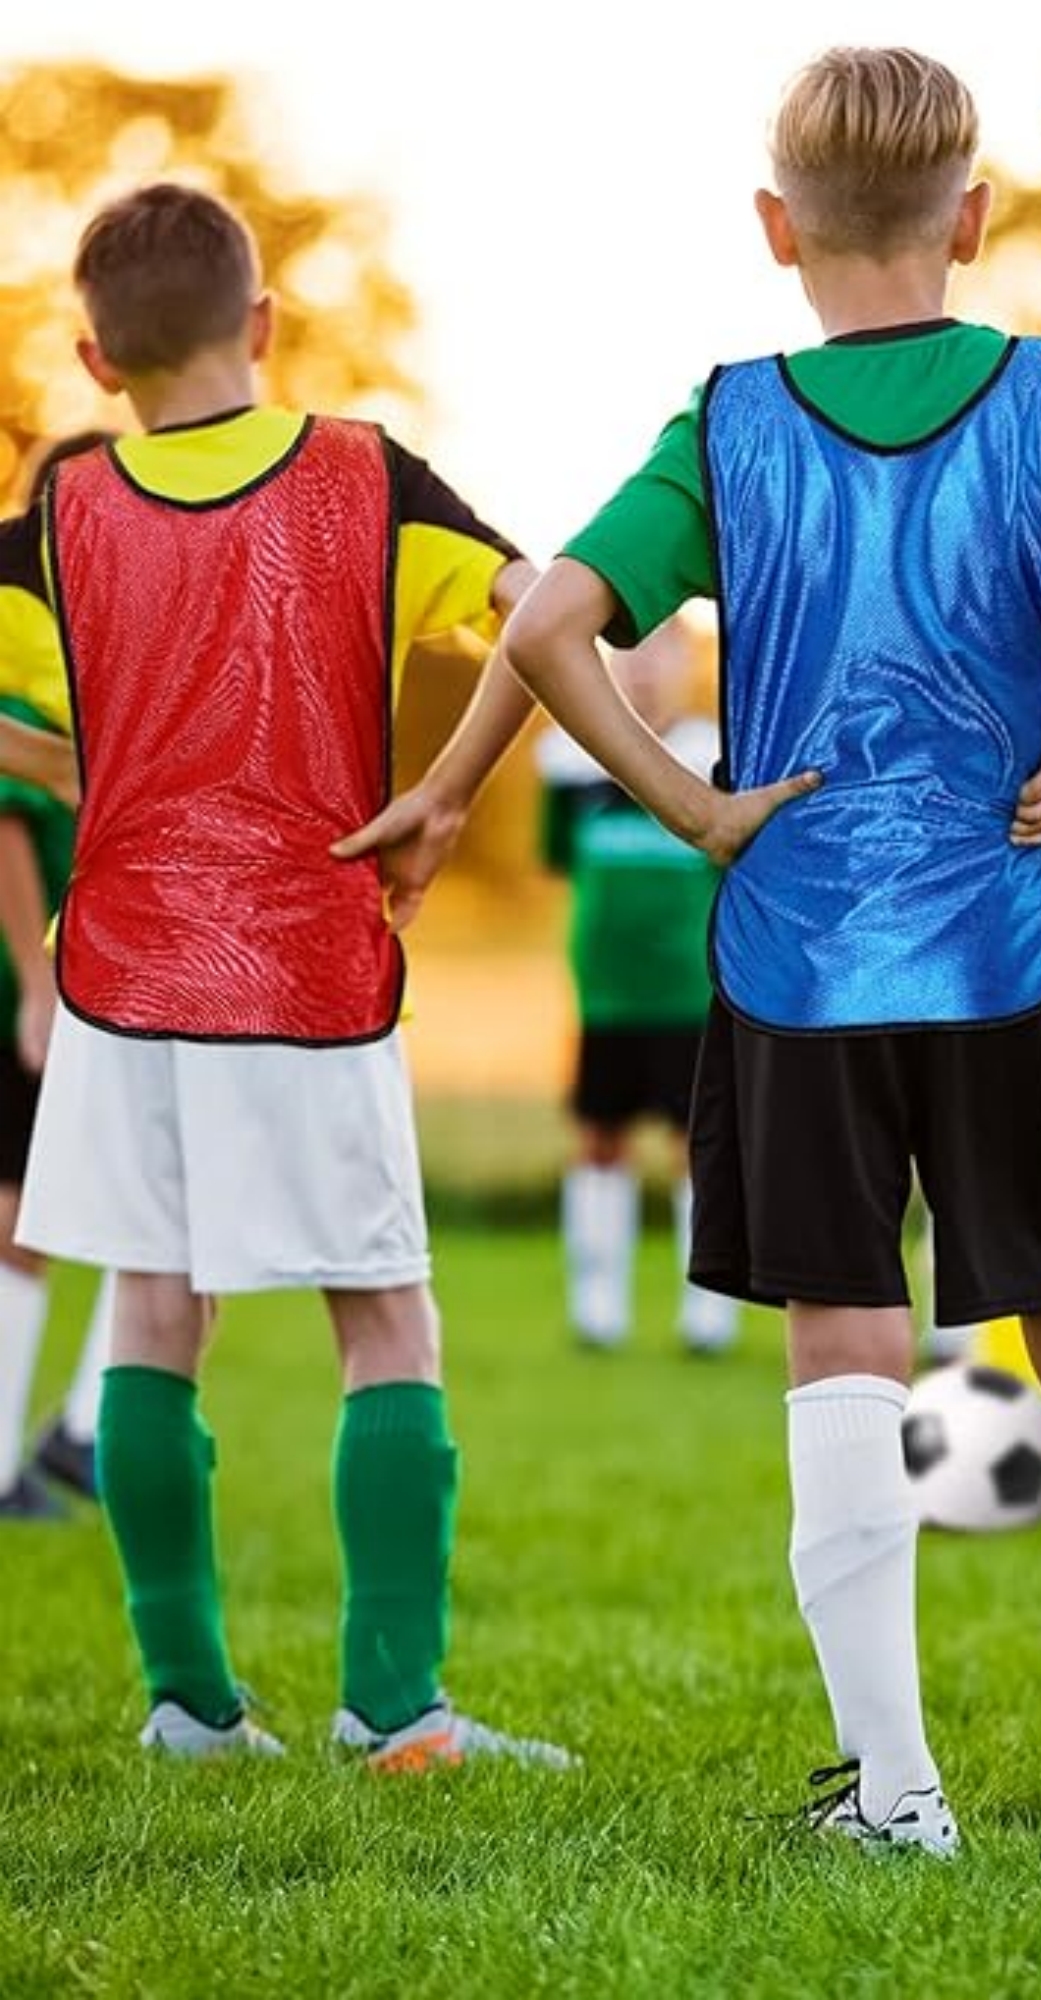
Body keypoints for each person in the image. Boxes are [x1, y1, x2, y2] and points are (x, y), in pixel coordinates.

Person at [497, 46, 1041, 1854]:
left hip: (797, 963)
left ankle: (897, 1796)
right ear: (975, 220)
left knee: (846, 1333)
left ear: (773, 228)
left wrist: (691, 802)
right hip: (1003, 944)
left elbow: (558, 621)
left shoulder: (725, 420)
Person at [0, 182, 569, 1769]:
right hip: (308, 964)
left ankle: (186, 1705)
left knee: (149, 1319)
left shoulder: (60, 516)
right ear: (259, 327)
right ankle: (398, 1713)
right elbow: (547, 615)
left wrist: (73, 767)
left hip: (120, 975)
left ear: (96, 364)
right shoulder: (366, 476)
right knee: (384, 1320)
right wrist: (448, 791)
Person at [537, 619, 739, 1355]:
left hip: (690, 996)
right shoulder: (564, 760)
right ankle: (599, 1309)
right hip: (603, 999)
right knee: (598, 1141)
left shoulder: (716, 754)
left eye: (661, 654)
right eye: (629, 654)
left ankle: (708, 1314)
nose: (645, 670)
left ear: (687, 664)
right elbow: (560, 861)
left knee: (700, 1147)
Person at [0, 432, 118, 1520]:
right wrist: (37, 994)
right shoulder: (33, 659)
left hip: (95, 975)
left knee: (138, 1218)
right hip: (41, 983)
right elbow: (11, 827)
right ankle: (49, 1446)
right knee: (25, 1212)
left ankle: (84, 1434)